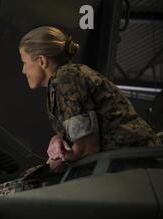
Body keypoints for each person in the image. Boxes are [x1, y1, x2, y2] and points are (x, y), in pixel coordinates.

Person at [18, 26, 161, 172]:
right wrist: (58, 139)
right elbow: (88, 128)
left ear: (41, 61)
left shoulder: (65, 79)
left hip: (133, 163)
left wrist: (60, 161)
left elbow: (87, 148)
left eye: (24, 62)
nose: (23, 71)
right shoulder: (67, 76)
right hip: (130, 160)